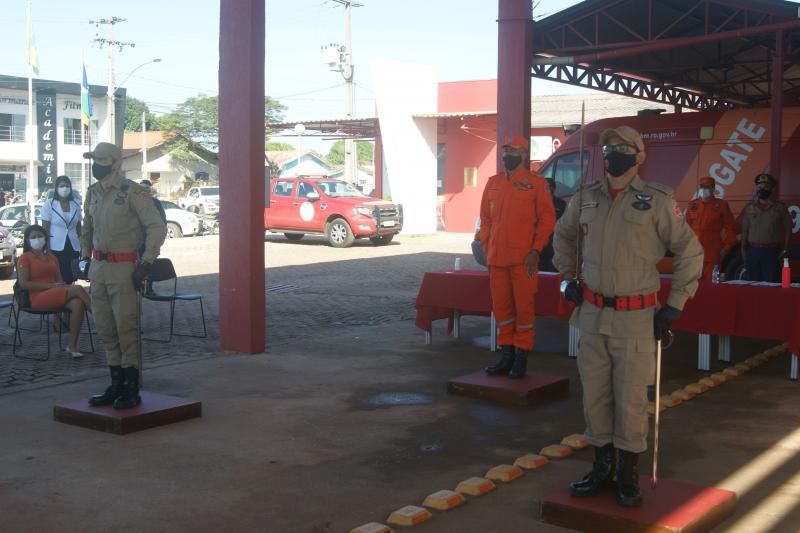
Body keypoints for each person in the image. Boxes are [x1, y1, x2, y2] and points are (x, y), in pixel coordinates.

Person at [553, 126, 703, 507]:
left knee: (631, 400)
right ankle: (601, 469)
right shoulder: (586, 198)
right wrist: (567, 276)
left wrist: (674, 305)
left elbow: (691, 252)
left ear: (639, 157)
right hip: (590, 315)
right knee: (596, 397)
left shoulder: (656, 201)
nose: (611, 154)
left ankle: (627, 474)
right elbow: (563, 236)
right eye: (608, 148)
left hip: (636, 319)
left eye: (622, 148)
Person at [80, 142, 167, 410]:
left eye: (103, 160)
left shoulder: (133, 192)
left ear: (116, 163)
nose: (98, 165)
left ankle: (131, 385)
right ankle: (115, 382)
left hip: (124, 268)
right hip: (98, 268)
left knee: (125, 328)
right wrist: (84, 257)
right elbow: (87, 227)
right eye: (95, 159)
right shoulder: (93, 192)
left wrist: (147, 262)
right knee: (105, 328)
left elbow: (156, 226)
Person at [479, 135, 556, 379]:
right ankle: (507, 354)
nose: (506, 155)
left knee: (524, 309)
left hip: (524, 259)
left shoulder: (536, 183)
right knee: (501, 309)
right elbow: (485, 218)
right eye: (505, 150)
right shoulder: (493, 183)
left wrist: (536, 250)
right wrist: (485, 242)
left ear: (524, 155)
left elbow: (547, 219)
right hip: (496, 258)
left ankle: (521, 355)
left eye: (512, 151)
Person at [17, 224, 92, 358]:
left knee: (78, 304)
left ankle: (72, 346)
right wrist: (51, 287)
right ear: (28, 240)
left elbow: (59, 280)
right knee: (79, 289)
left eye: (39, 236)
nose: (37, 239)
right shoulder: (25, 258)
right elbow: (24, 284)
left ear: (45, 238)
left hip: (55, 293)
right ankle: (100, 318)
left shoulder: (52, 258)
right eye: (33, 237)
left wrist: (59, 286)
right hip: (38, 297)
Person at [741, 173, 792, 282]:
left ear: (771, 189)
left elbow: (788, 228)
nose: (762, 189)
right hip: (753, 252)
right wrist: (743, 249)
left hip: (771, 252)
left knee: (771, 284)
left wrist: (785, 249)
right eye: (759, 187)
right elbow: (745, 229)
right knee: (752, 284)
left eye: (765, 187)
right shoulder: (750, 207)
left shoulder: (780, 207)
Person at [685, 177, 736, 281]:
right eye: (702, 187)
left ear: (713, 188)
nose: (704, 189)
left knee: (711, 288)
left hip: (713, 255)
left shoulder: (721, 205)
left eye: (707, 187)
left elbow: (731, 228)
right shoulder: (692, 205)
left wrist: (726, 248)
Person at [41, 175, 82, 284]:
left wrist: (82, 247)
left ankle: (70, 296)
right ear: (56, 188)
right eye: (62, 186)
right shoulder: (49, 204)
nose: (65, 188)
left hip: (73, 246)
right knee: (59, 277)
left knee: (71, 277)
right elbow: (45, 229)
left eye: (67, 186)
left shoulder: (76, 204)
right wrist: (47, 249)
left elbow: (79, 228)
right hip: (55, 247)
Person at [539, 177, 568, 273]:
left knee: (553, 272)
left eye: (549, 187)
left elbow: (566, 224)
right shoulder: (537, 203)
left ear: (554, 188)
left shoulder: (561, 204)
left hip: (555, 244)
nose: (547, 190)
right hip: (540, 244)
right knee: (540, 272)